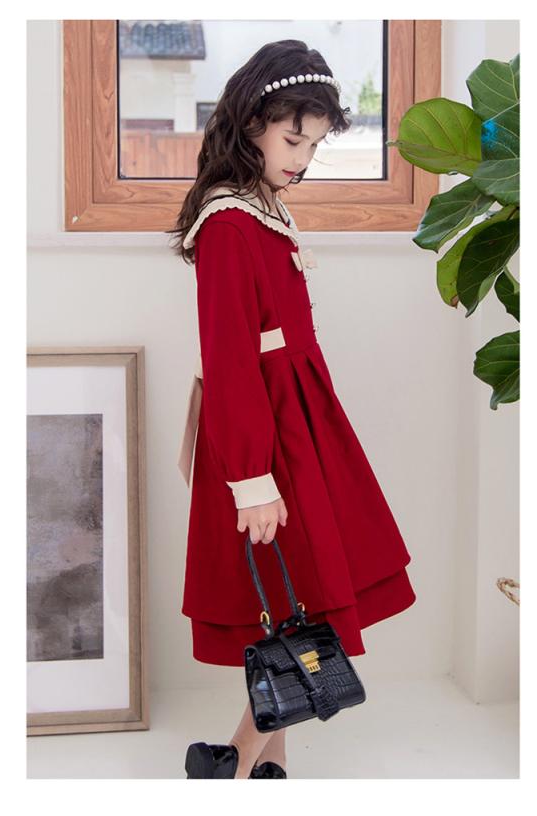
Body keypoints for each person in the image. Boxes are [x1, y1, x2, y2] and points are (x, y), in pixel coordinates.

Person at [168, 39, 416, 780]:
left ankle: (267, 760)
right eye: (292, 140)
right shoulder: (228, 223)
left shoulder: (263, 208)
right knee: (295, 588)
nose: (302, 159)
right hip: (267, 429)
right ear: (252, 125)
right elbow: (231, 360)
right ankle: (237, 760)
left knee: (298, 588)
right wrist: (251, 478)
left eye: (312, 145)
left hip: (299, 418)